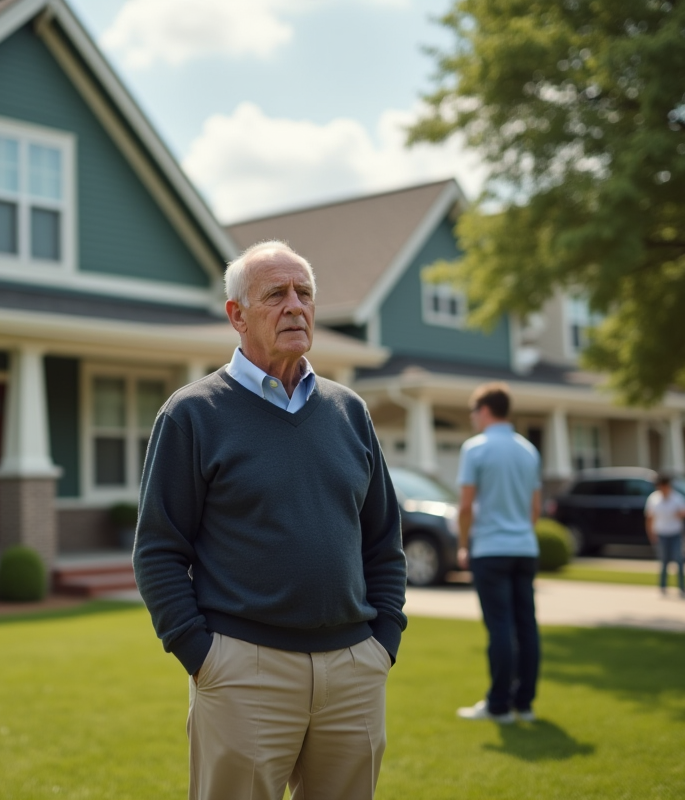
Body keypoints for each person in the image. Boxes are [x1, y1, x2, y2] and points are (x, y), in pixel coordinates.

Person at [133, 241, 406, 800]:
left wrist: (384, 642)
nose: (295, 307)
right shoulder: (192, 414)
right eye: (276, 295)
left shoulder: (349, 411)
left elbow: (383, 540)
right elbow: (158, 550)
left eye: (304, 294)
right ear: (237, 315)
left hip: (355, 669)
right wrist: (200, 655)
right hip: (242, 670)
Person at [455, 383, 542, 724]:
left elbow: (465, 507)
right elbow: (535, 507)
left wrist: (464, 544)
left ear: (486, 410)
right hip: (524, 547)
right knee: (527, 626)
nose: (473, 418)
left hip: (491, 548)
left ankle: (499, 706)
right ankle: (526, 703)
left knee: (500, 628)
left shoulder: (475, 449)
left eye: (474, 411)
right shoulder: (528, 450)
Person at [645, 474, 685, 598]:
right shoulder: (654, 499)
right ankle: (663, 587)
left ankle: (682, 588)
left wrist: (680, 514)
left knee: (679, 560)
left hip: (675, 533)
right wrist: (651, 534)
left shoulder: (677, 497)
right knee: (664, 561)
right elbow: (649, 518)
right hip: (661, 533)